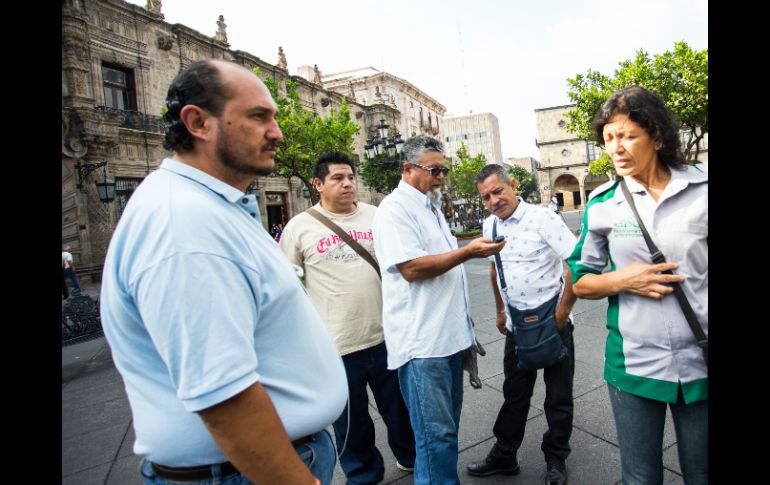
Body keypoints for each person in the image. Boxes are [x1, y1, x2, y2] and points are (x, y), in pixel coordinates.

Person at [99, 59, 347, 485]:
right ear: (198, 122)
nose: (277, 132)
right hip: (242, 471)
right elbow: (223, 396)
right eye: (258, 116)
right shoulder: (184, 225)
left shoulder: (208, 206)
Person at [567, 86, 707, 485]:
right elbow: (581, 282)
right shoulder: (602, 203)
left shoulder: (702, 191)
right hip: (633, 363)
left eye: (628, 135)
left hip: (702, 361)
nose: (616, 148)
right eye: (608, 138)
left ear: (658, 137)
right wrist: (623, 279)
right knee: (640, 477)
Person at [371, 135, 505, 485]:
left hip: (449, 338)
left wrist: (463, 312)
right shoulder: (395, 209)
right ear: (407, 169)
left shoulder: (430, 206)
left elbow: (443, 273)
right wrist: (467, 252)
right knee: (435, 439)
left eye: (444, 169)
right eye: (435, 170)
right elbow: (412, 268)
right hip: (423, 347)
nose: (441, 176)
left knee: (445, 433)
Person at [279, 151, 416, 484]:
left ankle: (410, 457)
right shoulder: (299, 227)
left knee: (400, 412)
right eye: (338, 178)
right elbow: (287, 287)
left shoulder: (377, 216)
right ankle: (363, 475)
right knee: (351, 424)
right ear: (318, 184)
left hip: (387, 337)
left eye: (351, 177)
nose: (347, 184)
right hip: (336, 347)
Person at [465, 164, 577, 485]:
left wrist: (562, 312)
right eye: (486, 197)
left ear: (512, 185)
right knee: (515, 394)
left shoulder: (543, 218)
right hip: (516, 326)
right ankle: (505, 455)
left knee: (558, 398)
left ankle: (556, 459)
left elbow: (576, 261)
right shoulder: (489, 225)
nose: (493, 201)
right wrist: (500, 310)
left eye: (497, 191)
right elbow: (492, 268)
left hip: (554, 326)